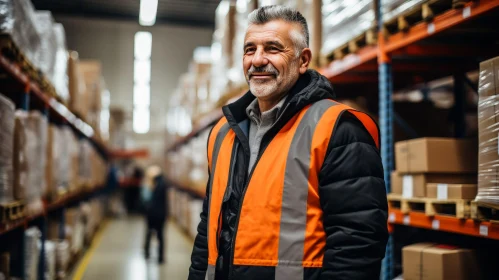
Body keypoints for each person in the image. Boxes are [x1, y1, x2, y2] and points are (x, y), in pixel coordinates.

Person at [188, 5, 388, 280]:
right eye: (249, 49)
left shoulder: (337, 129)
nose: (257, 60)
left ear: (303, 60)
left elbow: (358, 244)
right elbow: (207, 231)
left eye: (272, 48)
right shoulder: (223, 133)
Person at [143, 165, 169, 264]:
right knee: (160, 236)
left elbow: (146, 199)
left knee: (149, 233)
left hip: (152, 214)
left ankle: (147, 253)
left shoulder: (152, 185)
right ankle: (160, 257)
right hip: (161, 214)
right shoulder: (163, 184)